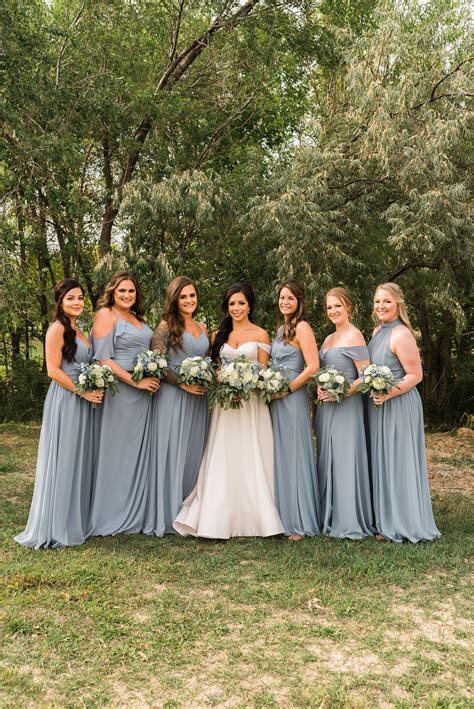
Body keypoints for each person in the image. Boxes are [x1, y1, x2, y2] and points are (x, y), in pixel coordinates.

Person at [174, 283, 284, 539]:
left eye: (241, 303)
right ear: (227, 306)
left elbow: (263, 372)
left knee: (250, 452)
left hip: (251, 404)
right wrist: (226, 379)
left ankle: (256, 515)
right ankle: (218, 514)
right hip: (225, 406)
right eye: (232, 304)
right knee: (224, 453)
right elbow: (214, 368)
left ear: (250, 306)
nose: (236, 308)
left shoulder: (261, 334)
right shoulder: (218, 335)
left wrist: (245, 383)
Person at [15, 279, 103, 549]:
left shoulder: (79, 328)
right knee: (64, 457)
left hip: (84, 398)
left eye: (80, 298)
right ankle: (57, 525)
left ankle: (74, 518)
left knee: (78, 457)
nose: (77, 302)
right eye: (71, 298)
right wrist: (82, 391)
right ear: (60, 302)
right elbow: (53, 370)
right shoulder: (56, 329)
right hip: (67, 398)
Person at [367, 282, 440, 543]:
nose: (381, 306)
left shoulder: (401, 334)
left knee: (399, 461)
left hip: (399, 404)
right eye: (377, 301)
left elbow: (415, 375)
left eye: (386, 301)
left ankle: (404, 522)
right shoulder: (377, 331)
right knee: (383, 460)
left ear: (398, 304)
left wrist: (387, 393)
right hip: (379, 406)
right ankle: (385, 520)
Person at [88, 271, 159, 536]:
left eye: (131, 291)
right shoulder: (106, 315)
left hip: (144, 396)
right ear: (113, 293)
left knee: (136, 453)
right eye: (122, 291)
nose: (127, 295)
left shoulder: (138, 318)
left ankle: (134, 513)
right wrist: (135, 382)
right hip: (122, 392)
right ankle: (110, 514)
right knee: (116, 451)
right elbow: (104, 359)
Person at [142, 276, 210, 536]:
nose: (189, 301)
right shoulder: (165, 327)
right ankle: (167, 513)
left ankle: (188, 511)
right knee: (172, 451)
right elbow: (157, 365)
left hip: (198, 398)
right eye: (183, 297)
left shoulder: (202, 327)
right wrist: (183, 383)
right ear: (174, 299)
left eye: (192, 296)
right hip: (173, 396)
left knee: (193, 451)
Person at [316, 288, 375, 539]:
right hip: (326, 407)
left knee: (345, 457)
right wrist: (320, 386)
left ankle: (348, 518)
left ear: (348, 306)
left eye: (337, 306)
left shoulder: (355, 335)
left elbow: (366, 376)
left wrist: (340, 393)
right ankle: (327, 514)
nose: (333, 311)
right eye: (329, 307)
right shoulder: (328, 338)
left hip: (346, 406)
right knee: (327, 456)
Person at [270, 281, 321, 540]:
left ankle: (300, 520)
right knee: (280, 454)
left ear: (299, 301)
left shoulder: (303, 327)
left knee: (295, 453)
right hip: (275, 397)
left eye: (290, 298)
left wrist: (288, 389)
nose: (285, 302)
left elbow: (313, 367)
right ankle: (282, 515)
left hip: (292, 396)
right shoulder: (281, 330)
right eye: (282, 297)